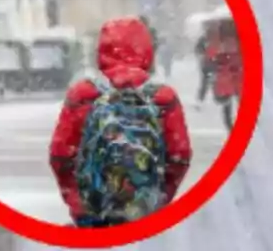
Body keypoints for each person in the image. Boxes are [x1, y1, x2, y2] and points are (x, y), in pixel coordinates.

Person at [49, 16, 192, 228]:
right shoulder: (163, 96)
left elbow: (60, 155)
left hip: (95, 212)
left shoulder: (83, 94)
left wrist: (81, 208)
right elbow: (179, 156)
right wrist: (157, 200)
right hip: (145, 212)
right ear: (147, 50)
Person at [206, 17, 242, 130]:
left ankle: (230, 126)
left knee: (227, 103)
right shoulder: (238, 39)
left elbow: (211, 54)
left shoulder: (218, 40)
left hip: (226, 74)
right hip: (237, 73)